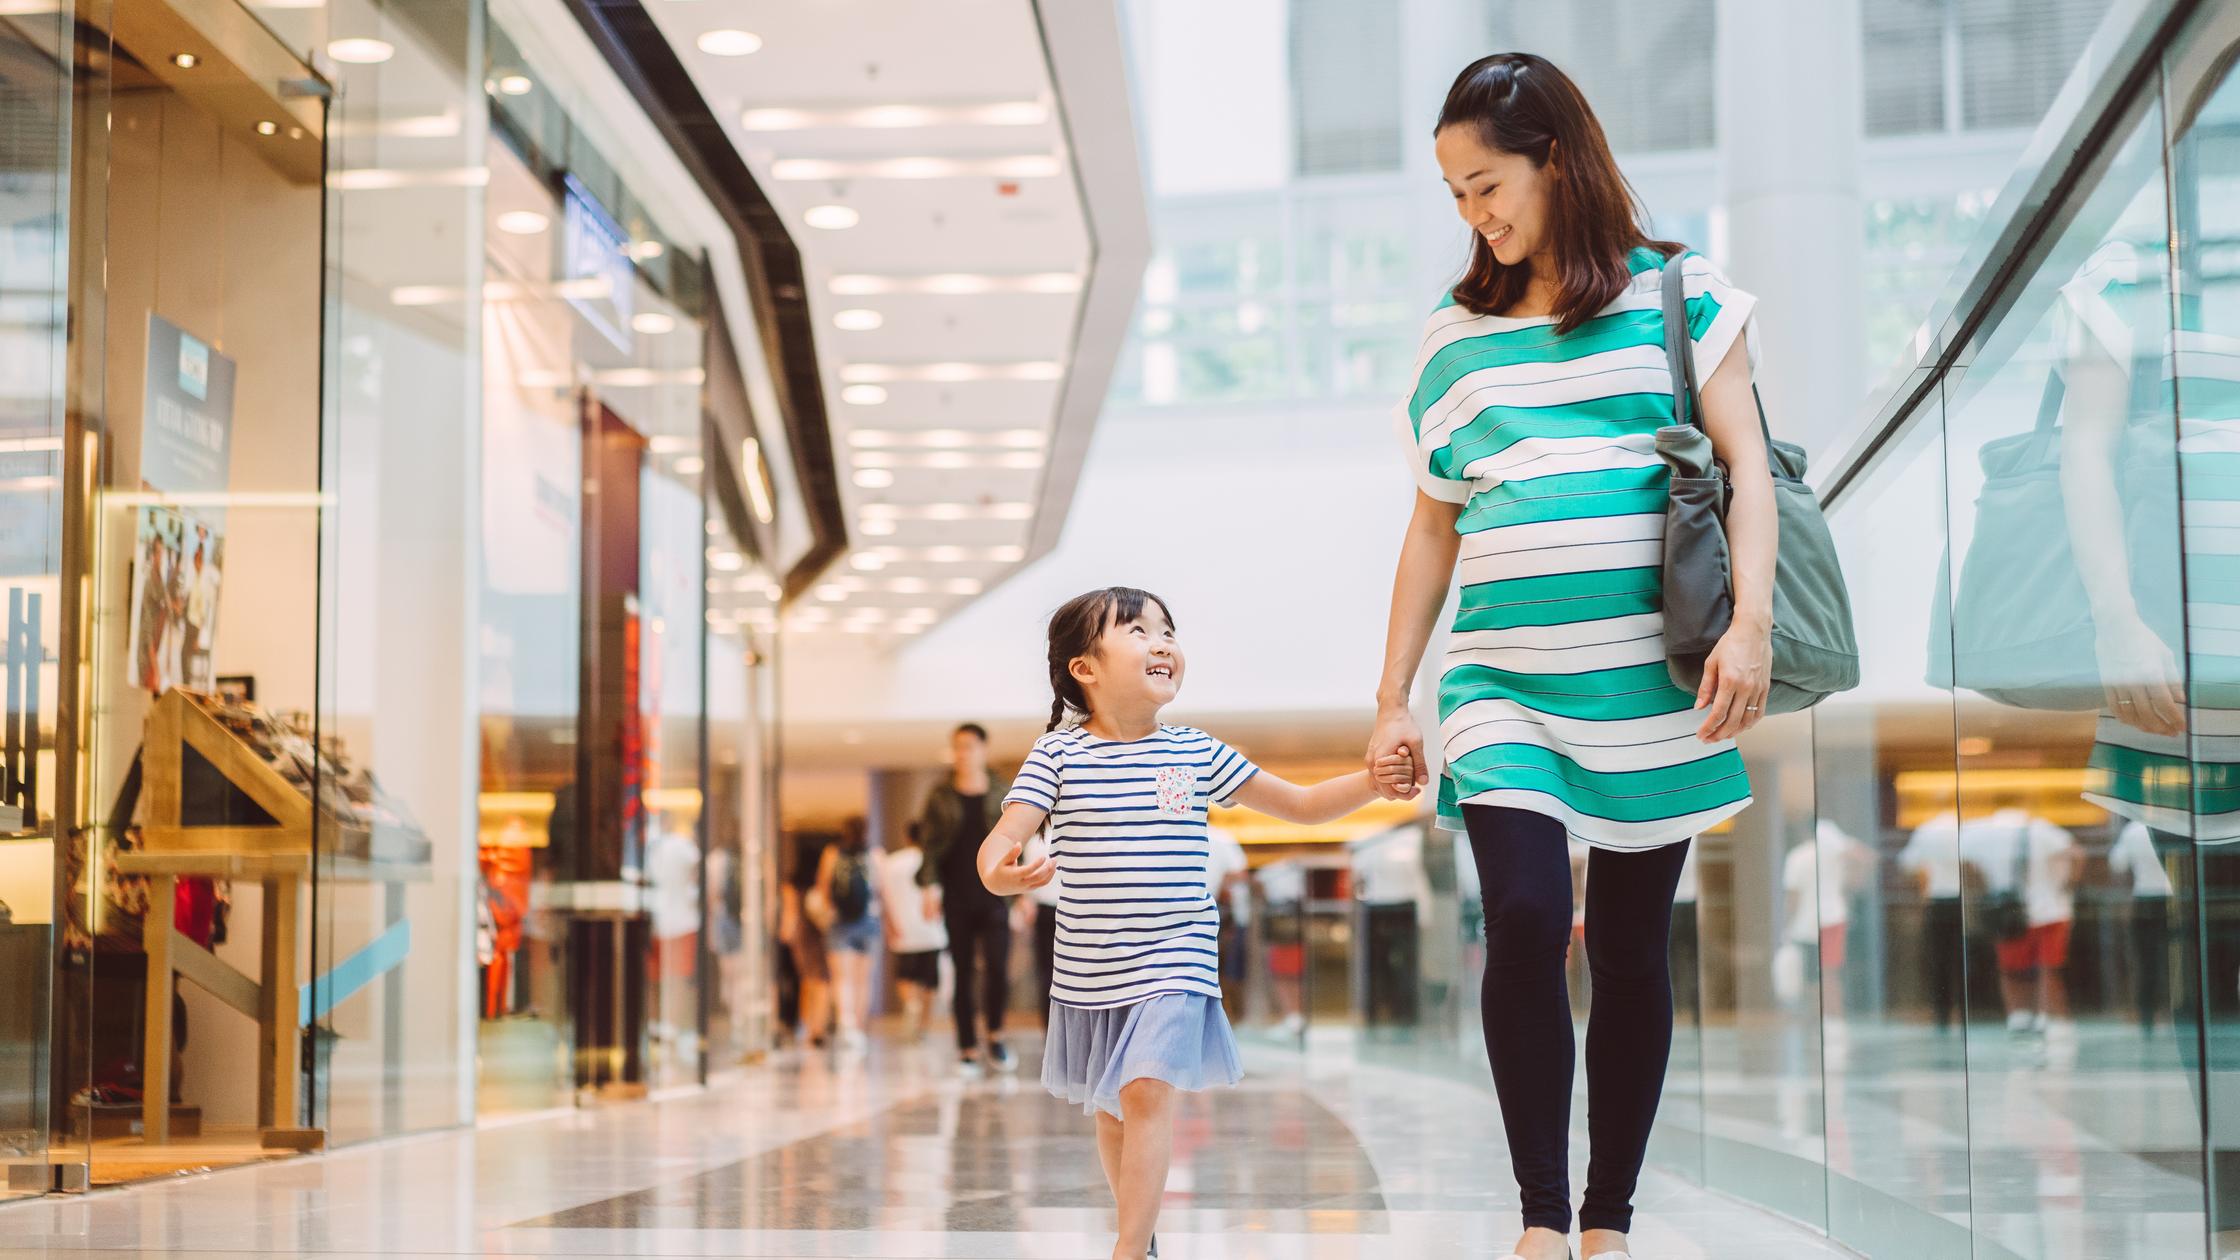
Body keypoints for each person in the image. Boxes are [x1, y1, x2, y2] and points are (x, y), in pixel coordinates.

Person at [1366, 53, 1778, 1260]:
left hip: (1655, 681)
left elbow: (1746, 466)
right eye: (1452, 194)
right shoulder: (1453, 337)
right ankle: (1540, 1215)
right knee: (1528, 914)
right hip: (1502, 687)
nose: (1472, 214)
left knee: (1633, 950)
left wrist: (1748, 625)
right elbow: (1431, 523)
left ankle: (1609, 1217)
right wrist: (1390, 696)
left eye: (1485, 183)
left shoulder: (1678, 294)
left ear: (1555, 158)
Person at [980, 586, 1413, 1260]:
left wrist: (1373, 783)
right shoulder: (1058, 756)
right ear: (1084, 669)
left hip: (1176, 954)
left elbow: (1299, 806)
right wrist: (1002, 873)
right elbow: (999, 843)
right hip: (1092, 967)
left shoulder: (1191, 754)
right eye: (1136, 631)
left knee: (1148, 1090)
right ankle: (1141, 1235)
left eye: (1167, 631)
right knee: (1114, 1109)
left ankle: (1126, 1252)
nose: (1161, 643)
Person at [917, 722, 1018, 1076]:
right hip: (956, 895)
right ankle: (967, 1047)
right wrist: (929, 887)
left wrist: (1025, 895)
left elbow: (1017, 843)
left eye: (970, 746)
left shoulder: (1002, 792)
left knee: (997, 968)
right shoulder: (941, 795)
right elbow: (930, 846)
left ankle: (996, 1035)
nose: (964, 753)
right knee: (962, 972)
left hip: (996, 895)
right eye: (958, 747)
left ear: (983, 749)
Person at [878, 821, 947, 1042]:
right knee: (930, 981)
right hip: (932, 931)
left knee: (905, 976)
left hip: (903, 929)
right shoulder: (934, 862)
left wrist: (889, 925)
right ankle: (924, 1025)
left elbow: (884, 898)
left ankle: (911, 1004)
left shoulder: (892, 863)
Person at [817, 817, 881, 1052]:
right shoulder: (875, 854)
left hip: (839, 921)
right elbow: (881, 892)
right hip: (869, 920)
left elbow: (823, 888)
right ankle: (860, 1029)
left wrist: (827, 915)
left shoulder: (832, 853)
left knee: (841, 978)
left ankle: (847, 1025)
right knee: (862, 979)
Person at [779, 830, 833, 1050]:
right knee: (822, 980)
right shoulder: (821, 882)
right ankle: (818, 1026)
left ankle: (807, 1024)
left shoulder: (792, 884)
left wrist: (785, 936)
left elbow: (790, 914)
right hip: (820, 934)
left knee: (807, 981)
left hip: (802, 935)